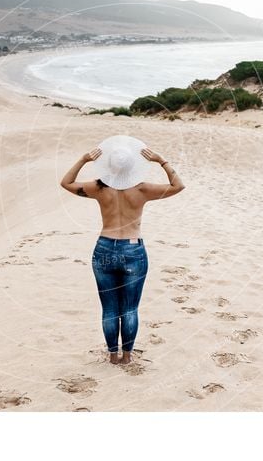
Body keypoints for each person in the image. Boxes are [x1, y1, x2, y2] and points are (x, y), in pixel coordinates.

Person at [59, 135, 185, 364]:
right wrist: (161, 160)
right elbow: (179, 186)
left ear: (108, 165)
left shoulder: (98, 187)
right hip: (133, 249)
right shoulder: (143, 189)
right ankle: (127, 357)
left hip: (105, 246)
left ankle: (112, 356)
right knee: (129, 308)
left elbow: (66, 183)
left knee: (109, 309)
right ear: (133, 168)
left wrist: (84, 159)